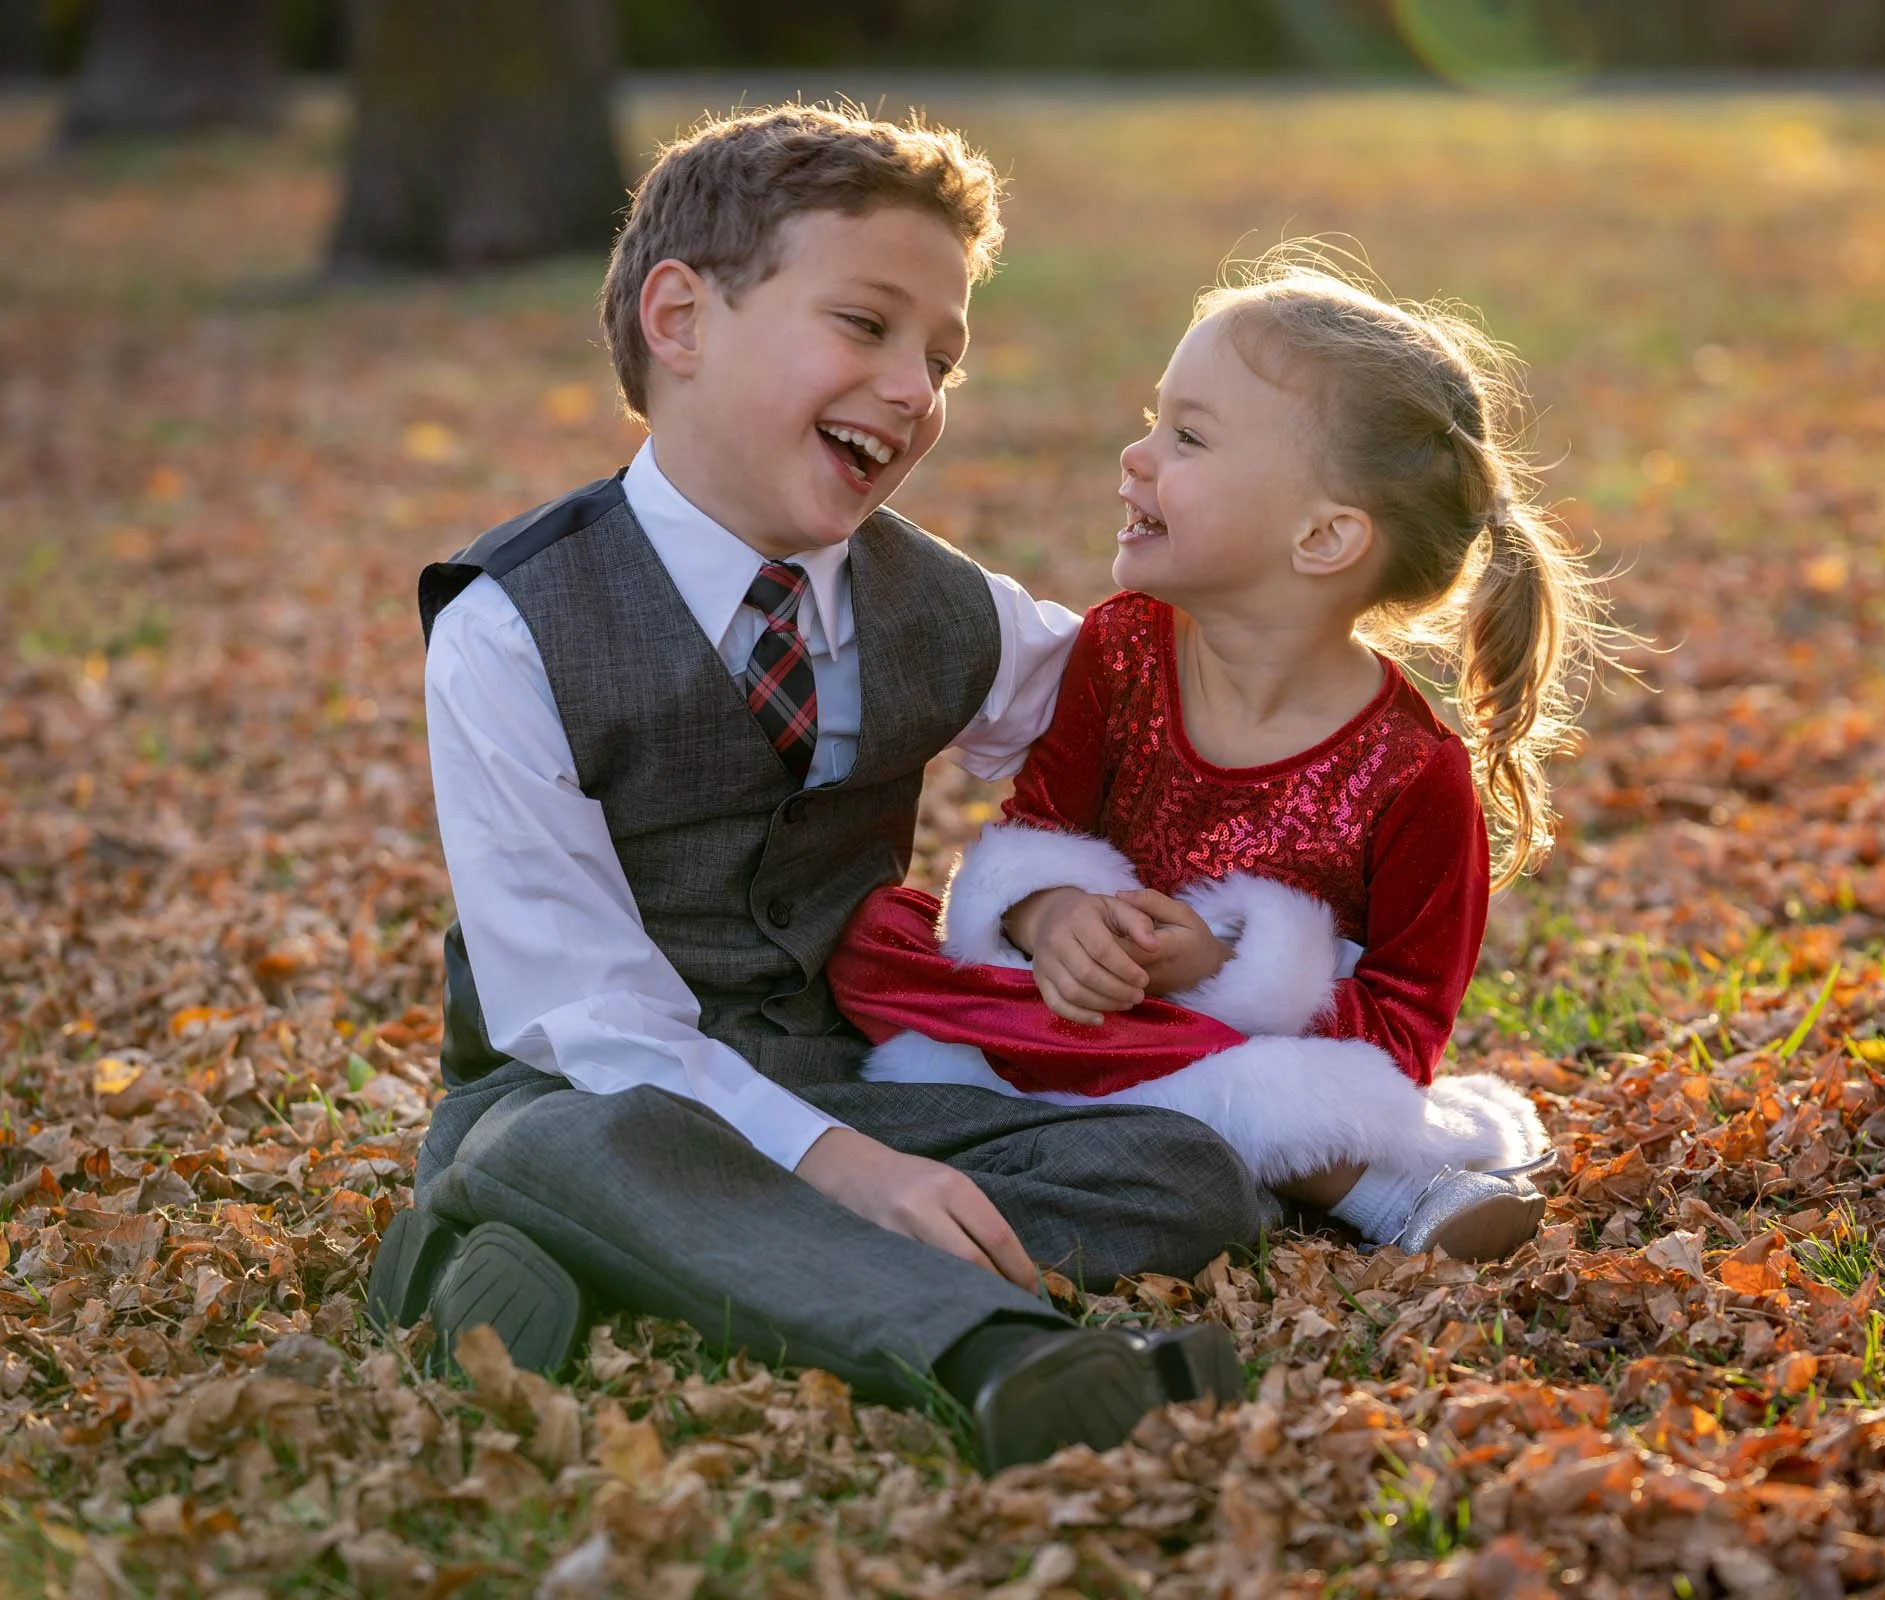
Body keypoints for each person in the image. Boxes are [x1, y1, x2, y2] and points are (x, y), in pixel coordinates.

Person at [365, 105, 1268, 1472]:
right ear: (680, 319)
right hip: (580, 1091)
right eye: (867, 325)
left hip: (850, 1069)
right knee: (581, 1152)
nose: (915, 389)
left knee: (1185, 1174)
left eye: (943, 356)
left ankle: (503, 1266)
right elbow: (585, 1013)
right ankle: (1004, 1360)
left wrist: (1058, 908)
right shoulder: (512, 627)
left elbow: (1138, 734)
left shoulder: (940, 605)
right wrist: (847, 1172)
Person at [832, 251, 1612, 1263]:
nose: (1135, 455)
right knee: (872, 932)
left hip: (1234, 1050)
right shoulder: (1122, 650)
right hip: (1067, 1007)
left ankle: (1378, 1190)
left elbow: (1401, 1033)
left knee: (1229, 1076)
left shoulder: (1413, 776)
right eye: (1154, 419)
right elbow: (1037, 831)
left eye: (1187, 436)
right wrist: (1054, 913)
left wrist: (1221, 970)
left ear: (1323, 538)